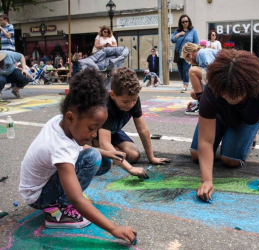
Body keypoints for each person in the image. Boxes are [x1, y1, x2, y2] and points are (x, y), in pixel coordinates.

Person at [18, 68, 137, 243]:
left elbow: (78, 148)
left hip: (38, 186)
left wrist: (107, 152)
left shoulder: (61, 123)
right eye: (92, 128)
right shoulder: (60, 148)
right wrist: (113, 228)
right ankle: (59, 211)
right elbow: (77, 198)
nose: (95, 134)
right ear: (71, 118)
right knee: (92, 158)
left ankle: (59, 200)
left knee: (99, 158)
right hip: (38, 197)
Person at [192, 49, 259, 202]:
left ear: (250, 86)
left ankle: (249, 135)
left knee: (230, 160)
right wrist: (206, 180)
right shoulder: (213, 87)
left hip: (249, 118)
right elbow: (205, 140)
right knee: (196, 155)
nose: (230, 98)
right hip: (220, 116)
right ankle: (226, 130)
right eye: (225, 94)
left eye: (235, 94)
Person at [96, 67, 170, 177]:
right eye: (125, 101)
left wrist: (151, 157)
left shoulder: (133, 100)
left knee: (133, 155)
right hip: (95, 134)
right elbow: (104, 142)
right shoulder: (106, 106)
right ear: (113, 95)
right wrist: (130, 168)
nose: (130, 105)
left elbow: (142, 129)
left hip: (114, 131)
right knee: (110, 157)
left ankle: (113, 156)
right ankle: (94, 149)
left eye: (134, 100)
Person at [181, 43, 217, 115]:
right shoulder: (200, 56)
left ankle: (202, 106)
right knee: (193, 94)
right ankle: (202, 103)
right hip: (218, 80)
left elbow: (214, 72)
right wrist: (195, 102)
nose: (189, 62)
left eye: (187, 59)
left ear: (189, 54)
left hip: (222, 80)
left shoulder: (202, 53)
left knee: (192, 70)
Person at [171, 14, 199, 93]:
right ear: (181, 23)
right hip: (178, 53)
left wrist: (193, 53)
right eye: (183, 22)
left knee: (186, 70)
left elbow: (196, 43)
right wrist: (178, 34)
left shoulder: (193, 31)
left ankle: (185, 85)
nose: (185, 23)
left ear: (189, 22)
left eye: (186, 21)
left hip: (188, 54)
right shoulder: (177, 31)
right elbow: (172, 40)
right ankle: (186, 82)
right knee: (180, 70)